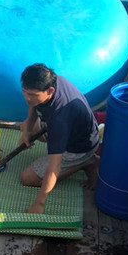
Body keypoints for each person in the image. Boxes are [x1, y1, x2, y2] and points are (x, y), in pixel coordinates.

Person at [18, 63, 100, 214]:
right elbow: (34, 104)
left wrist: (39, 204)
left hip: (79, 148)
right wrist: (27, 132)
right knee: (25, 126)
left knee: (28, 179)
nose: (27, 99)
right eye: (24, 92)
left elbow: (54, 166)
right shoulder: (50, 80)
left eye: (32, 95)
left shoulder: (60, 119)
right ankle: (29, 129)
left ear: (50, 91)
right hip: (73, 129)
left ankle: (87, 162)